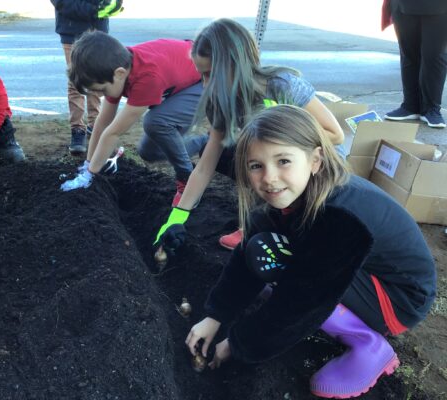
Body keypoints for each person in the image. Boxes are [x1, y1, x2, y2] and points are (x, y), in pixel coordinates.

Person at [185, 105, 436, 399]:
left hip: (398, 299)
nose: (269, 178)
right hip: (363, 274)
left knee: (297, 278)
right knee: (263, 249)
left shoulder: (341, 216)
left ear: (315, 160)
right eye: (256, 166)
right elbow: (245, 256)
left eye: (283, 161)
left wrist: (236, 345)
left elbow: (302, 302)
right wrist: (214, 316)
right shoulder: (293, 197)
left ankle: (368, 344)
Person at [153, 19, 344, 252]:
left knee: (263, 161)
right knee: (232, 153)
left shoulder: (281, 87)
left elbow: (335, 134)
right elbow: (205, 167)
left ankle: (274, 223)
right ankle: (261, 218)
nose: (205, 85)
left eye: (210, 74)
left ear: (236, 64)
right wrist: (177, 217)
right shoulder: (221, 103)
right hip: (275, 165)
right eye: (201, 76)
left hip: (314, 170)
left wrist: (281, 144)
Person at [60, 31, 208, 206]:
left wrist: (90, 174)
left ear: (120, 74)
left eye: (102, 90)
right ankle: (209, 143)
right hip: (183, 82)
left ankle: (188, 179)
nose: (100, 96)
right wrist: (88, 165)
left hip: (208, 80)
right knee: (149, 152)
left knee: (155, 121)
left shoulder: (146, 78)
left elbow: (114, 133)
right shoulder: (114, 70)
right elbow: (102, 123)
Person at [51, 0, 123, 155]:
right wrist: (95, 9)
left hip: (97, 30)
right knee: (75, 79)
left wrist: (113, 5)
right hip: (72, 29)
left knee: (97, 75)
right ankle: (78, 129)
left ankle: (95, 126)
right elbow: (61, 3)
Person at [382, 0, 447, 129]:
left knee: (434, 55)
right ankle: (410, 106)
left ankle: (432, 108)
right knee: (408, 55)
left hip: (441, 7)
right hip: (402, 5)